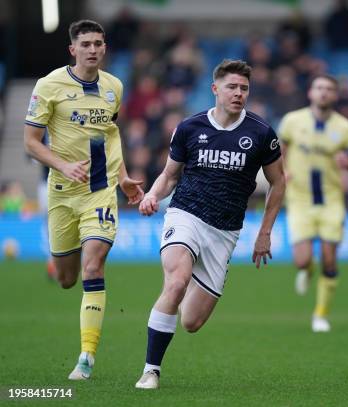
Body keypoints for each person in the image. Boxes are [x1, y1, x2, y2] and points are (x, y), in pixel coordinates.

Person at [134, 59, 285, 389]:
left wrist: (264, 233)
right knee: (175, 283)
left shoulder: (261, 133)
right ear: (215, 89)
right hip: (185, 214)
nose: (238, 93)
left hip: (224, 231)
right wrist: (152, 196)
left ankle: (190, 277)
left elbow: (279, 183)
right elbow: (170, 175)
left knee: (191, 322)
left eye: (244, 88)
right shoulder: (189, 127)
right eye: (232, 87)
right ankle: (151, 370)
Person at [23, 20, 144, 380]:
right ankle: (62, 264)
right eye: (86, 44)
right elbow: (30, 141)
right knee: (65, 278)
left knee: (94, 266)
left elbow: (111, 132)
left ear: (105, 48)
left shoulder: (114, 87)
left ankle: (86, 356)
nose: (93, 49)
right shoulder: (48, 86)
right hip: (62, 195)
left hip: (100, 191)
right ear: (72, 50)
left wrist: (122, 178)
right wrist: (62, 165)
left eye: (99, 43)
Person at [278, 74, 348, 333]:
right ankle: (306, 270)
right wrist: (282, 170)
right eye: (319, 88)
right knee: (302, 260)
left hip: (331, 200)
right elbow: (278, 151)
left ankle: (320, 314)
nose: (323, 93)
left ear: (335, 95)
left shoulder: (346, 128)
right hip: (299, 199)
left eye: (329, 89)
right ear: (310, 93)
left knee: (329, 260)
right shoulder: (292, 121)